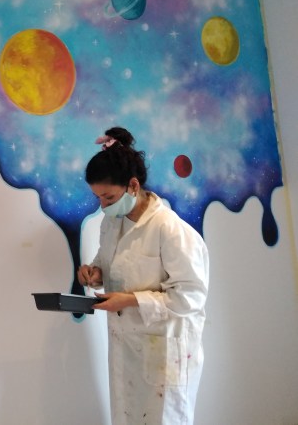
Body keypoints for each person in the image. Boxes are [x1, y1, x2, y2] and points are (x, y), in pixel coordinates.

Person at [77, 127, 209, 425]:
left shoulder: (171, 230)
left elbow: (191, 296)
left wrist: (131, 300)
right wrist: (94, 273)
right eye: (98, 198)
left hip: (165, 349)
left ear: (133, 186)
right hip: (127, 347)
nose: (103, 206)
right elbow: (110, 263)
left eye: (109, 197)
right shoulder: (112, 223)